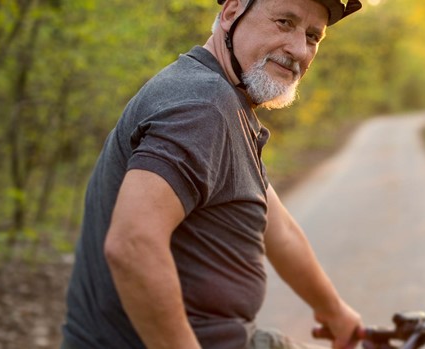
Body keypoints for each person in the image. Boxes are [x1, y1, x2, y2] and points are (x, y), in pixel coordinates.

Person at [61, 0, 363, 348]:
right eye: (283, 22)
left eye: (312, 36)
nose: (298, 49)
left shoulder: (221, 102)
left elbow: (280, 232)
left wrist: (334, 311)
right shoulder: (203, 106)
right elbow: (132, 245)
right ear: (232, 11)